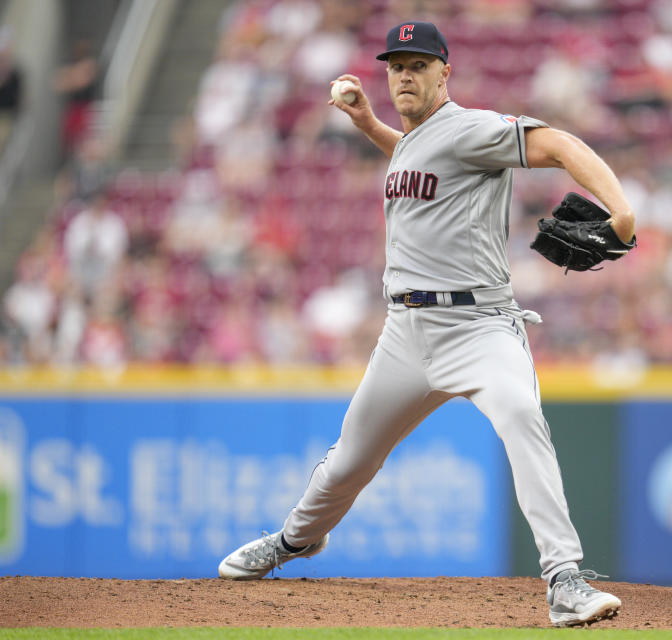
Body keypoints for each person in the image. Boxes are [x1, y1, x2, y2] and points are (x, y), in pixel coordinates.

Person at [218, 21, 635, 627]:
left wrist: (620, 209)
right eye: (396, 66)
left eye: (418, 64)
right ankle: (293, 541)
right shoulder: (416, 140)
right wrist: (367, 124)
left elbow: (560, 144)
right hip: (405, 333)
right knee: (349, 462)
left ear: (446, 72)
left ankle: (564, 579)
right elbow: (422, 162)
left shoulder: (470, 129)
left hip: (480, 326)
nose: (404, 75)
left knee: (522, 419)